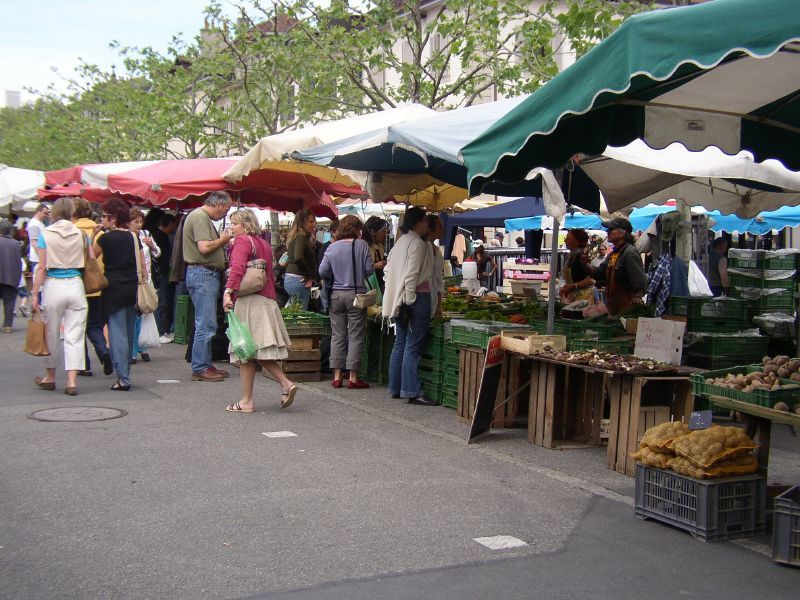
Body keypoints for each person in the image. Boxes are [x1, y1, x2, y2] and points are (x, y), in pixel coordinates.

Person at [222, 209, 297, 413]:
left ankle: (251, 399)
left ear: (245, 225)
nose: (232, 227)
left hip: (249, 301)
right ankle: (267, 391)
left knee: (246, 351)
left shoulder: (242, 241)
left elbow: (237, 268)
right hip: (266, 300)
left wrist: (228, 292)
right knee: (253, 351)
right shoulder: (263, 243)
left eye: (235, 223)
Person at [31, 198, 90, 396]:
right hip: (76, 283)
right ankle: (72, 380)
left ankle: (51, 376)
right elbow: (90, 258)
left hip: (53, 284)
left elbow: (41, 267)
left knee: (52, 333)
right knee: (75, 334)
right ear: (72, 212)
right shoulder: (81, 234)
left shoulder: (45, 234)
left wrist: (34, 294)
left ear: (54, 213)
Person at [382, 207, 436, 406]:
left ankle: (396, 387)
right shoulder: (417, 244)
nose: (427, 225)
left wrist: (400, 296)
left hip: (399, 299)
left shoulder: (400, 242)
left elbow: (387, 271)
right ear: (419, 222)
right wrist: (411, 298)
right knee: (412, 346)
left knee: (400, 343)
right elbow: (412, 274)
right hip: (415, 298)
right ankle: (411, 390)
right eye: (425, 221)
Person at [319, 215, 374, 389]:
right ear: (357, 229)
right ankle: (353, 376)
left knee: (337, 335)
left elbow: (323, 271)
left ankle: (336, 376)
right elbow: (369, 269)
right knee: (356, 335)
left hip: (335, 295)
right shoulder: (362, 245)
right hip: (356, 295)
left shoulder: (332, 247)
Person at [182, 191, 233, 382]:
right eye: (226, 209)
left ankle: (204, 363)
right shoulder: (200, 217)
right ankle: (200, 367)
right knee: (205, 323)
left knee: (206, 323)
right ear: (218, 204)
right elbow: (204, 247)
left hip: (204, 274)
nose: (225, 214)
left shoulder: (199, 217)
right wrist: (224, 239)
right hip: (203, 274)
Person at [93, 197, 141, 391]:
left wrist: (92, 236)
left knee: (117, 333)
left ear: (112, 218)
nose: (103, 219)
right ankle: (126, 369)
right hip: (131, 286)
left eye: (105, 216)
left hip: (112, 287)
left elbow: (90, 257)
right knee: (128, 331)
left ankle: (123, 377)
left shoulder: (105, 238)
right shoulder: (132, 237)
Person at [72, 197, 111, 377]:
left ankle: (83, 364)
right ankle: (103, 350)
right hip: (97, 286)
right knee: (95, 325)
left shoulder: (72, 232)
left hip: (77, 285)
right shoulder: (101, 234)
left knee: (77, 326)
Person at [592, 217, 647, 315]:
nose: (608, 232)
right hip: (614, 306)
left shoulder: (630, 253)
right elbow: (599, 273)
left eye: (611, 229)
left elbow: (639, 279)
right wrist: (585, 264)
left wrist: (638, 296)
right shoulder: (614, 254)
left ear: (622, 233)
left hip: (626, 308)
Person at [129, 208, 161, 363]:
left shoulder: (145, 234)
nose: (139, 224)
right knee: (136, 314)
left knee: (145, 311)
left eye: (141, 221)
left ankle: (142, 347)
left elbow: (157, 253)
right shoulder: (127, 236)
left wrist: (153, 246)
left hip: (146, 281)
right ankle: (135, 349)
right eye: (136, 222)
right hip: (133, 281)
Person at [284, 209, 318, 310]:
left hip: (293, 279)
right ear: (303, 223)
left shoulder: (297, 237)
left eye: (314, 221)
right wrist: (309, 276)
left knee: (293, 311)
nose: (314, 224)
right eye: (311, 221)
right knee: (299, 315)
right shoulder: (301, 237)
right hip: (298, 279)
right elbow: (298, 257)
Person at [152, 213, 178, 342]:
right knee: (161, 302)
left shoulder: (159, 235)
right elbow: (159, 256)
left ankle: (161, 330)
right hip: (161, 273)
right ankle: (160, 331)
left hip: (162, 273)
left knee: (162, 302)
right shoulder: (160, 237)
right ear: (170, 224)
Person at [559, 228, 596, 304]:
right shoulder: (571, 256)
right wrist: (566, 288)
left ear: (577, 242)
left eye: (568, 239)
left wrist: (573, 286)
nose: (565, 241)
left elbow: (592, 280)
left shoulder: (580, 257)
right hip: (574, 297)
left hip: (584, 299)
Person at [0, 219, 23, 333]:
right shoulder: (15, 243)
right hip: (10, 277)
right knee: (9, 302)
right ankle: (7, 325)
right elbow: (18, 262)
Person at [425, 215, 445, 318]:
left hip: (432, 300)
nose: (443, 230)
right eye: (439, 227)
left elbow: (438, 280)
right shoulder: (421, 248)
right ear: (429, 229)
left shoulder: (437, 251)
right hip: (420, 300)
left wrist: (439, 305)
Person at [27, 203, 49, 292]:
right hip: (37, 258)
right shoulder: (34, 224)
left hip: (39, 257)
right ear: (38, 211)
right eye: (45, 213)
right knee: (40, 284)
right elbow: (34, 242)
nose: (46, 215)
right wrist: (42, 256)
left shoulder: (39, 223)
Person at [362, 216, 388, 294]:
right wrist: (375, 266)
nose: (385, 234)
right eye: (383, 231)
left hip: (380, 283)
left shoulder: (380, 245)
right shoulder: (363, 246)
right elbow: (359, 268)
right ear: (373, 231)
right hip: (368, 286)